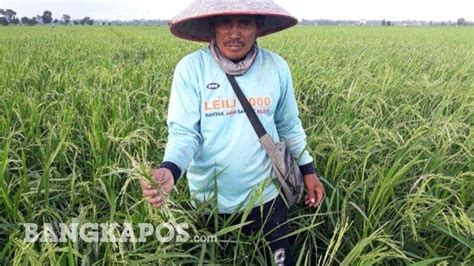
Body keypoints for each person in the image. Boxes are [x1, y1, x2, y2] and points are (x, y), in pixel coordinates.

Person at [139, 0, 325, 264]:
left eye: (245, 23)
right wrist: (169, 168)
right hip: (209, 201)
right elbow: (184, 133)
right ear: (212, 26)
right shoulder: (192, 69)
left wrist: (309, 171)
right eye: (225, 22)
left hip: (267, 197)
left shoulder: (276, 67)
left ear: (258, 27)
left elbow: (289, 125)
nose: (234, 33)